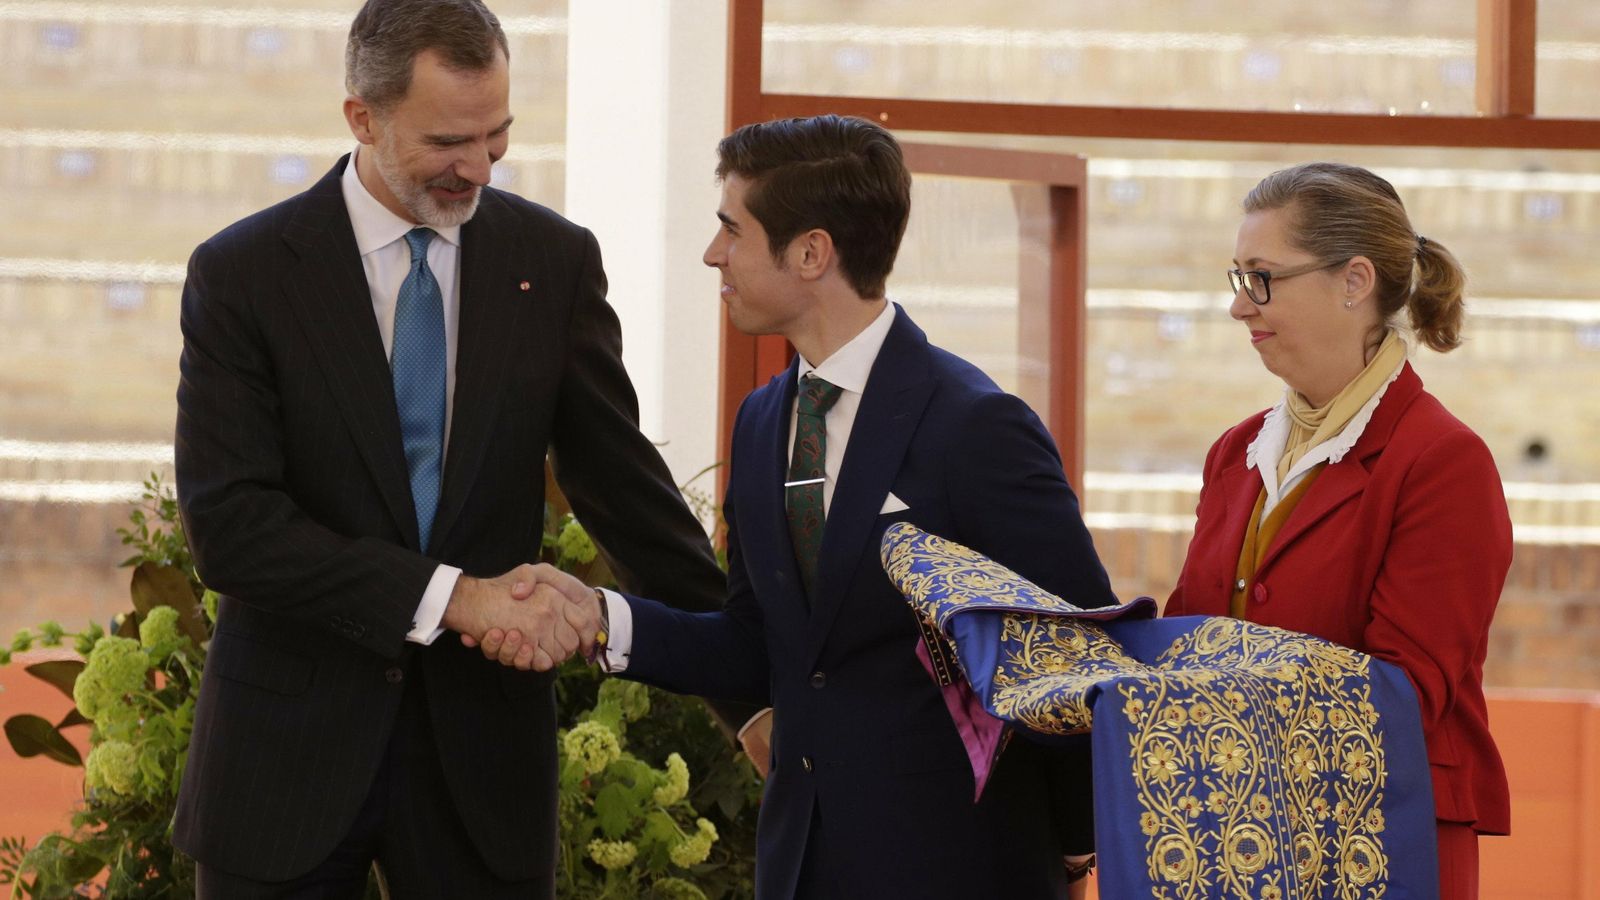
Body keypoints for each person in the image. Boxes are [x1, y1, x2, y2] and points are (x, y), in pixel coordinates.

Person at [171, 0, 732, 894]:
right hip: (284, 762)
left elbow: (625, 491)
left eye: (496, 135)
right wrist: (455, 599)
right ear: (362, 117)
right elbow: (233, 529)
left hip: (484, 765)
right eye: (447, 142)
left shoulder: (553, 261)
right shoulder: (243, 274)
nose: (478, 167)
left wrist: (749, 689)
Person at [484, 115, 1117, 899]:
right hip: (800, 866)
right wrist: (603, 620)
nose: (713, 253)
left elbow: (1080, 658)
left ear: (812, 253)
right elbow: (761, 643)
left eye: (732, 229)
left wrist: (1079, 851)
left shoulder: (977, 427)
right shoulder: (762, 420)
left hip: (960, 869)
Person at [1166, 162, 1512, 899]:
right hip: (1233, 837)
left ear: (1354, 281)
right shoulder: (1235, 451)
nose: (1238, 306)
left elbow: (1405, 694)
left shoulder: (1443, 461)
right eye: (1239, 277)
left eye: (1262, 279)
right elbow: (1188, 629)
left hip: (1377, 844)